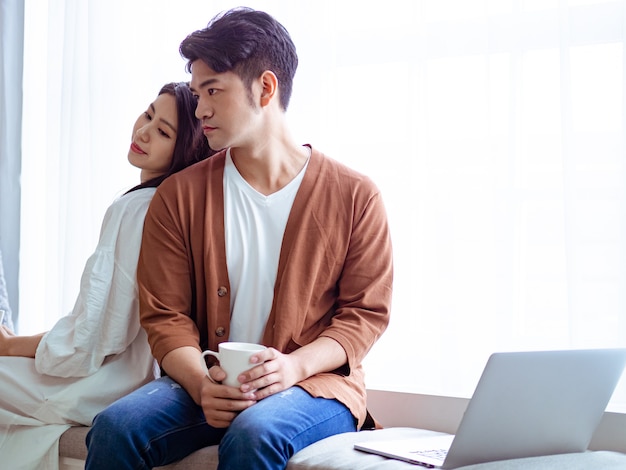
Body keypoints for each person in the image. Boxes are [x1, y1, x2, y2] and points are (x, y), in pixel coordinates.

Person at [85, 7, 393, 470]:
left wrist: (293, 368)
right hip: (212, 381)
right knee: (113, 428)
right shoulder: (179, 195)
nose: (200, 108)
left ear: (265, 88)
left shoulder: (355, 195)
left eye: (213, 90)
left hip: (312, 388)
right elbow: (165, 316)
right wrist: (201, 384)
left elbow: (363, 317)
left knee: (254, 434)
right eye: (196, 92)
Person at [0, 81, 212, 470]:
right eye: (149, 114)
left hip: (101, 388)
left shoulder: (138, 210)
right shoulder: (169, 206)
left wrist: (11, 346)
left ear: (186, 151)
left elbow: (91, 338)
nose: (144, 131)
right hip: (133, 379)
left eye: (163, 131)